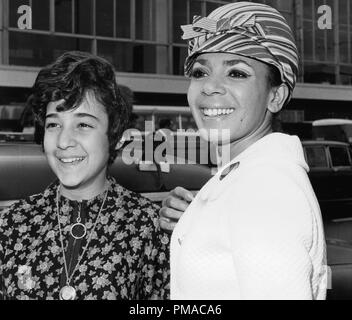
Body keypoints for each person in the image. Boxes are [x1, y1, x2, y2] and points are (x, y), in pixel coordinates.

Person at [159, 2, 327, 300]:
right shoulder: (249, 179)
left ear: (276, 96)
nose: (210, 87)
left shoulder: (266, 189)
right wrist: (199, 219)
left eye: (236, 73)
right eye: (200, 72)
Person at [0, 51, 170, 300]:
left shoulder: (148, 227)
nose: (64, 141)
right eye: (53, 124)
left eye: (83, 125)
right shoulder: (12, 224)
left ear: (114, 135)